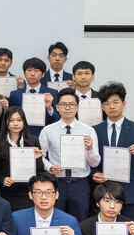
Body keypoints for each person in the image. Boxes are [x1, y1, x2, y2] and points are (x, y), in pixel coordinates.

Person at [91, 81, 134, 222]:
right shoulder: (95, 130)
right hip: (105, 193)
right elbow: (91, 160)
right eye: (107, 103)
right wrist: (94, 174)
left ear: (124, 103)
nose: (112, 106)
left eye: (116, 102)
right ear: (102, 107)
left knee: (133, 233)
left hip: (132, 193)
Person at [39, 88, 100, 222]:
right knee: (55, 220)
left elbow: (95, 163)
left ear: (77, 107)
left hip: (80, 183)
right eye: (63, 104)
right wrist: (49, 167)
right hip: (57, 182)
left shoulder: (88, 130)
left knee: (80, 221)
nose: (67, 108)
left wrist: (89, 149)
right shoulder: (48, 130)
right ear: (57, 107)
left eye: (72, 104)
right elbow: (39, 156)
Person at [0, 107, 45, 211]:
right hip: (7, 192)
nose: (15, 124)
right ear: (6, 122)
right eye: (11, 120)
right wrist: (2, 179)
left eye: (19, 120)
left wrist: (36, 159)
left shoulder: (33, 141)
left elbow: (40, 170)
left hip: (28, 193)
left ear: (24, 122)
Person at [7, 57, 59, 137]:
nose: (32, 74)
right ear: (24, 73)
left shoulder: (52, 93)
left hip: (44, 135)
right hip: (21, 136)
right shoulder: (15, 94)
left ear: (43, 74)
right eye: (29, 70)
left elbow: (57, 120)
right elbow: (9, 119)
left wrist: (50, 108)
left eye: (37, 71)